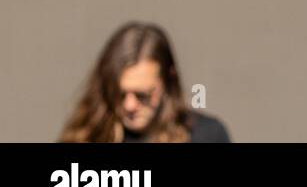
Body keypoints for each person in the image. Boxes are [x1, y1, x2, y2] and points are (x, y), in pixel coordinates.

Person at [58, 21, 231, 143]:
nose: (129, 105)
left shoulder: (206, 136)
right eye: (119, 94)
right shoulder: (86, 136)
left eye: (143, 95)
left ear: (168, 81)